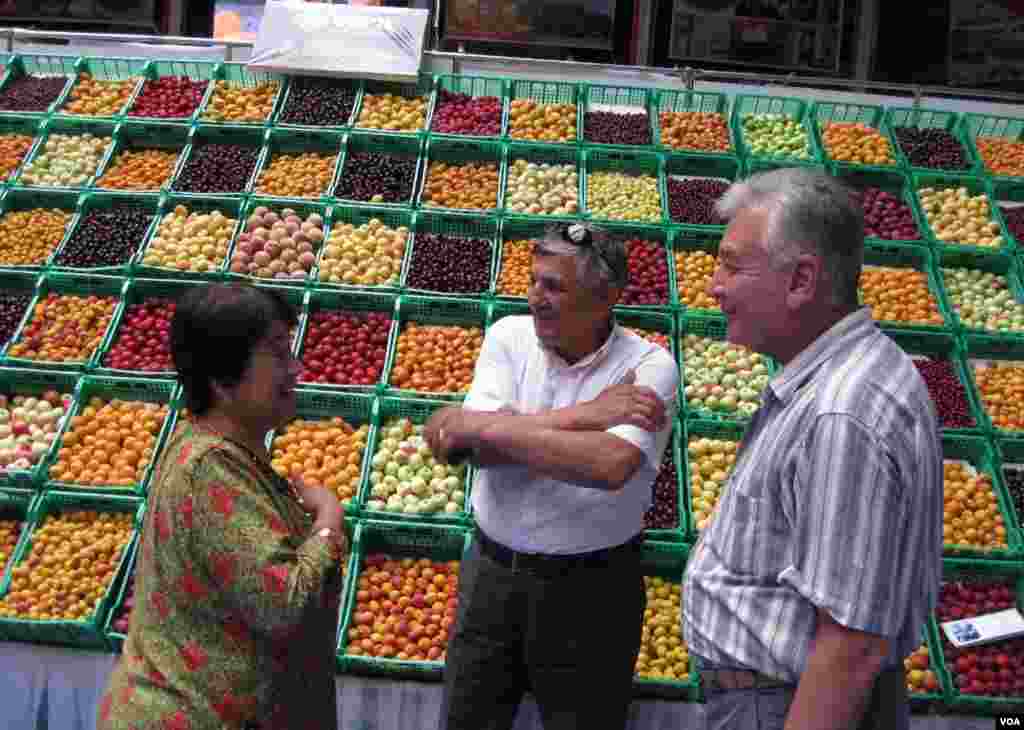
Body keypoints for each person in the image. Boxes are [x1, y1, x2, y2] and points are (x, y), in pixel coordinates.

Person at [681, 168, 943, 730]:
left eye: (732, 264)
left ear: (801, 280)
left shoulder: (841, 413)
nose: (713, 286)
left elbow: (849, 650)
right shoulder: (857, 372)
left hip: (783, 706)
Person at [423, 221, 680, 730]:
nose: (535, 297)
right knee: (467, 719)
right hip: (491, 578)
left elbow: (608, 466)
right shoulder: (508, 337)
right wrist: (585, 417)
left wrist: (487, 430)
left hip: (593, 590)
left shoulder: (650, 367)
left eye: (554, 287)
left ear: (606, 298)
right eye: (534, 280)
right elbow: (467, 448)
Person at [97, 283, 348, 730]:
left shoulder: (215, 452)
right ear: (221, 378)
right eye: (277, 354)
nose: (296, 369)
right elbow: (286, 606)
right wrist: (328, 522)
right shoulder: (210, 469)